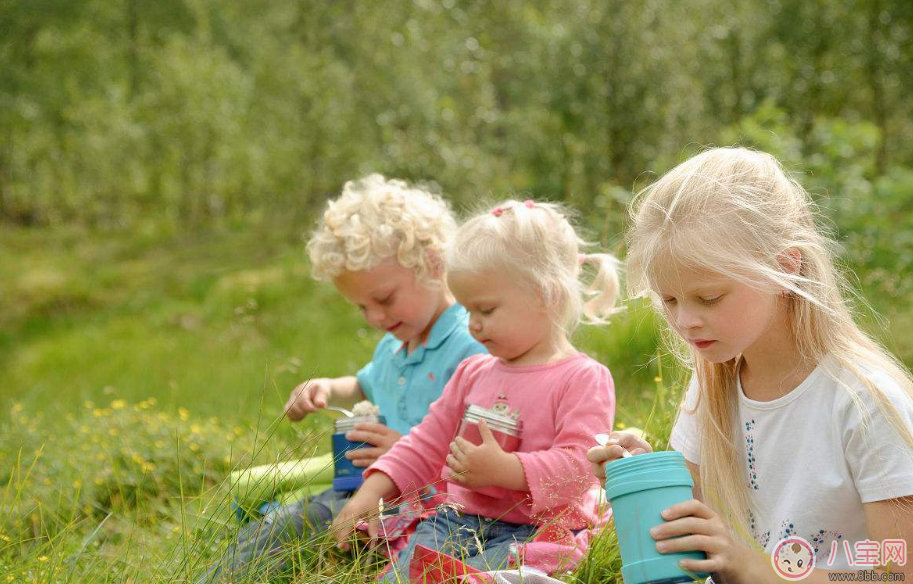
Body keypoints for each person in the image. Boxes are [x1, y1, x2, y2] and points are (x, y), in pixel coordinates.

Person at [587, 147, 913, 582]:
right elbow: (695, 530)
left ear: (785, 267)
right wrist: (645, 477)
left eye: (709, 298)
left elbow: (897, 575)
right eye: (669, 300)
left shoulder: (863, 403)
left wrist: (751, 569)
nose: (684, 321)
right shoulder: (712, 388)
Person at [200, 174, 485, 582]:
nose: (375, 318)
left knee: (308, 527)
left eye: (384, 299)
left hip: (434, 499)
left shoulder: (469, 344)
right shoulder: (393, 346)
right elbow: (365, 385)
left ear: (435, 264)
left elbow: (484, 441)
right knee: (279, 528)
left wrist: (407, 449)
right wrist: (328, 388)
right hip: (369, 488)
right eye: (361, 308)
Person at [331, 199, 621, 580]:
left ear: (546, 295)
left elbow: (579, 469)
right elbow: (425, 443)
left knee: (474, 579)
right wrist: (373, 492)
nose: (473, 325)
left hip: (534, 533)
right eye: (468, 311)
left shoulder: (582, 378)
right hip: (456, 522)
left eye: (485, 310)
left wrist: (507, 470)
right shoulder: (474, 372)